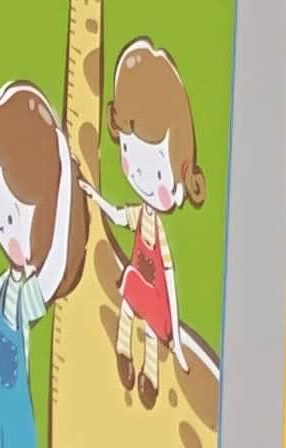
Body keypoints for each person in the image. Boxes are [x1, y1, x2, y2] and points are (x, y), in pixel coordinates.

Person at [95, 42, 205, 408]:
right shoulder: (141, 214)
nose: (138, 174)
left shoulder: (157, 229)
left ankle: (150, 377)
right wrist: (94, 197)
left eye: (156, 170)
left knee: (153, 331)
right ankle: (123, 352)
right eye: (128, 152)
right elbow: (119, 215)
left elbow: (169, 275)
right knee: (128, 310)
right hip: (139, 279)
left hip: (155, 287)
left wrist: (177, 336)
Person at [0, 84, 71, 448]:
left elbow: (56, 262)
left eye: (13, 219)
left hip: (15, 402)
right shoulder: (2, 287)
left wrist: (65, 172)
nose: (7, 236)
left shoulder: (28, 294)